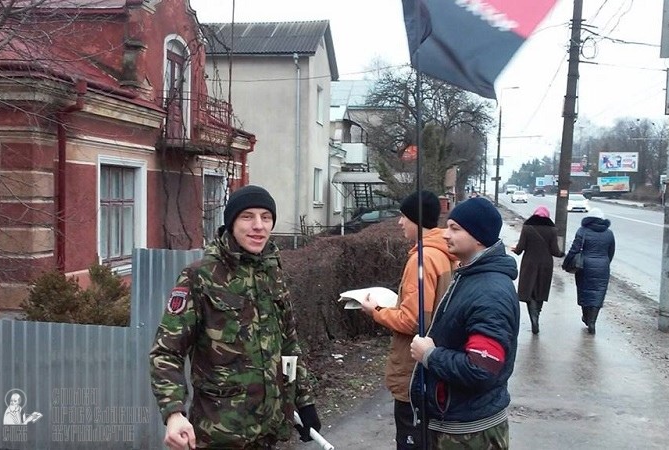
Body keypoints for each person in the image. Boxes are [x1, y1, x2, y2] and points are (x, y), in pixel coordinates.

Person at [149, 185, 321, 449]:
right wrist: (174, 413)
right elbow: (166, 352)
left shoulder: (271, 273)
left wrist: (305, 402)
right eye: (247, 217)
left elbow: (289, 344)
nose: (258, 226)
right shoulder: (201, 276)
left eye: (266, 217)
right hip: (219, 432)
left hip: (268, 430)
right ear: (231, 223)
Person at [409, 197, 519, 449]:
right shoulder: (470, 276)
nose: (445, 234)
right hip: (459, 423)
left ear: (479, 237)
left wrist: (430, 355)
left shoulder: (490, 292)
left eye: (455, 228)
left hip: (471, 433)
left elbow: (481, 368)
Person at [361, 190, 455, 450]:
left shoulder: (422, 259)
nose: (400, 223)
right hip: (436, 369)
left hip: (415, 374)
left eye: (404, 217)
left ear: (417, 219)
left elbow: (413, 321)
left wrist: (376, 311)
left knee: (412, 441)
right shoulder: (444, 253)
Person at [510, 205, 564, 334]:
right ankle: (537, 315)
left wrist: (515, 249)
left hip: (529, 263)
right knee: (541, 290)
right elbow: (555, 251)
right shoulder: (552, 230)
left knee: (529, 291)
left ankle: (533, 317)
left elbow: (520, 248)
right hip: (545, 264)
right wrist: (562, 254)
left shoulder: (527, 228)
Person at [563, 207, 615, 335]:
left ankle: (586, 317)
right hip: (603, 267)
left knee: (584, 292)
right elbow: (611, 251)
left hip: (584, 266)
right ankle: (592, 321)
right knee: (598, 293)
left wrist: (566, 263)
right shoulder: (609, 233)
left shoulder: (582, 231)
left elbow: (574, 249)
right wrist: (605, 262)